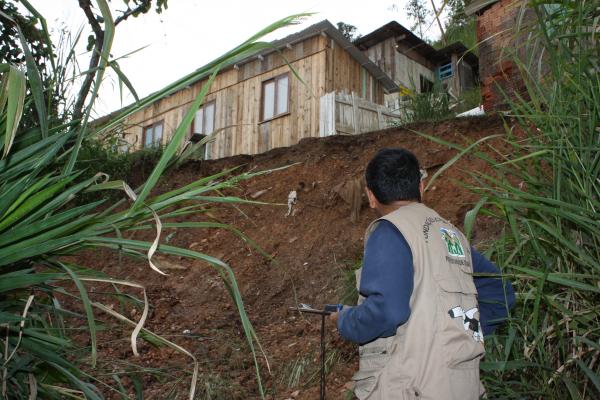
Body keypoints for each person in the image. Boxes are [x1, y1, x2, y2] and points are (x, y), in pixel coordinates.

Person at [329, 148, 515, 400]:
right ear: (422, 186)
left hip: (410, 388)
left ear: (371, 196)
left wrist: (346, 320)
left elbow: (388, 311)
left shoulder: (389, 231)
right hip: (461, 385)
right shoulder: (451, 234)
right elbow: (501, 292)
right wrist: (458, 338)